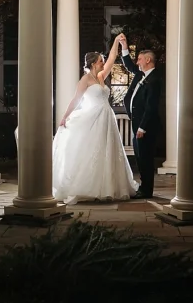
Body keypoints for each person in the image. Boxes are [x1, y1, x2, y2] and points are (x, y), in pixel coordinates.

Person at [52, 34, 139, 205]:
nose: (103, 63)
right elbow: (76, 100)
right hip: (93, 118)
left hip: (107, 118)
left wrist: (116, 42)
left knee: (108, 151)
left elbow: (113, 58)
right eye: (100, 61)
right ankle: (89, 187)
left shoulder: (99, 77)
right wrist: (64, 117)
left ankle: (108, 186)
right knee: (93, 151)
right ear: (93, 63)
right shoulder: (85, 80)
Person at [119, 35, 161, 199]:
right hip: (136, 124)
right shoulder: (140, 74)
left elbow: (151, 107)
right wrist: (124, 46)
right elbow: (129, 65)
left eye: (140, 59)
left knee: (145, 158)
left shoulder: (154, 79)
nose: (137, 62)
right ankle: (144, 188)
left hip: (146, 127)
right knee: (140, 157)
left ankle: (147, 190)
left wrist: (142, 127)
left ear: (148, 60)